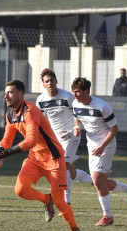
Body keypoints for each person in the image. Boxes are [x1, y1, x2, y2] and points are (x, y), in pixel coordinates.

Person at [0, 80, 83, 231]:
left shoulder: (30, 111)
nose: (6, 96)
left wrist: (5, 153)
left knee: (60, 202)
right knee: (20, 190)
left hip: (53, 158)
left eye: (10, 92)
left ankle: (75, 230)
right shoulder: (10, 114)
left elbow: (30, 140)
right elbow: (7, 140)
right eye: (6, 92)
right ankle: (46, 200)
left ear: (20, 94)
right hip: (35, 158)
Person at [71, 77, 127, 226]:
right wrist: (76, 128)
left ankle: (107, 216)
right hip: (92, 145)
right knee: (99, 183)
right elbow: (77, 119)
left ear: (86, 91)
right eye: (73, 92)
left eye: (77, 92)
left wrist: (102, 146)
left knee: (96, 179)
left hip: (106, 145)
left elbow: (114, 129)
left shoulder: (102, 106)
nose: (75, 95)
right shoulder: (75, 104)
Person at [36, 68, 93, 205]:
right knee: (72, 174)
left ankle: (66, 203)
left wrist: (76, 128)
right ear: (43, 84)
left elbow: (77, 114)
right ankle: (96, 180)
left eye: (52, 80)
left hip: (72, 135)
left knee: (62, 166)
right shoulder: (41, 100)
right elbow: (40, 122)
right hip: (56, 139)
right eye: (47, 81)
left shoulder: (67, 96)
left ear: (56, 81)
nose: (50, 83)